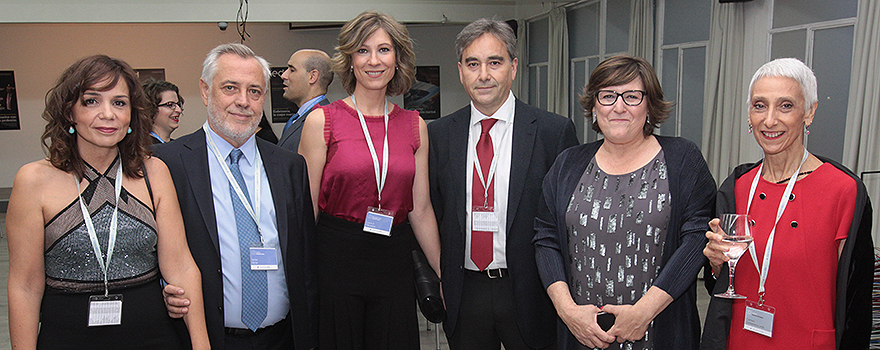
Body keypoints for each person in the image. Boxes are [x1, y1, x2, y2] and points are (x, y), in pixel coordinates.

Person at [6, 55, 209, 349]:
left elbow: (181, 267)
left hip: (152, 336)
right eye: (91, 101)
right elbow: (24, 287)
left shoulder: (153, 172)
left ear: (132, 114)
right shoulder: (34, 180)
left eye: (119, 102)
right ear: (70, 112)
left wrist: (201, 344)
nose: (107, 114)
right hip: (66, 336)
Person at [533, 55, 715, 350]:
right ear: (594, 106)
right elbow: (546, 239)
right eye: (607, 96)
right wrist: (567, 312)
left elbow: (696, 240)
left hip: (659, 332)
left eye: (631, 96)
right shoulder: (567, 164)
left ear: (649, 104)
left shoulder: (683, 159)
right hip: (583, 336)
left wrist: (644, 312)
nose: (619, 107)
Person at [700, 58, 873, 350]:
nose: (769, 120)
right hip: (740, 341)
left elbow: (857, 301)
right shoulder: (737, 187)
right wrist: (716, 265)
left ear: (809, 112)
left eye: (786, 106)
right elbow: (721, 285)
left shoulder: (843, 191)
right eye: (759, 105)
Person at [154, 43, 317, 350]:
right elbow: (150, 248)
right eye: (230, 88)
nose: (244, 101)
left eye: (254, 91)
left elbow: (305, 262)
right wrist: (164, 287)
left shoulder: (290, 166)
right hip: (207, 339)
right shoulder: (169, 163)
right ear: (205, 91)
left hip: (282, 338)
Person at [428, 18, 579, 350]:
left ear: (512, 68)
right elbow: (433, 212)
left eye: (494, 62)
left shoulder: (553, 132)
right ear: (460, 70)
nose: (483, 74)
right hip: (464, 290)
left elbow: (567, 219)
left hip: (531, 289)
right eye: (473, 64)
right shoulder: (438, 135)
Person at [297, 11, 441, 349]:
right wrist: (298, 279)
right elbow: (306, 211)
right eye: (363, 51)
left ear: (397, 59)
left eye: (383, 50)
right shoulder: (323, 121)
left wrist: (443, 274)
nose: (373, 61)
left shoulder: (414, 125)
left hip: (394, 259)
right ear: (349, 60)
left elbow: (420, 210)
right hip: (336, 258)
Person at [278, 49, 333, 151]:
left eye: (292, 70)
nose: (283, 75)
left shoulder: (322, 121)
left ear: (312, 77)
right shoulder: (299, 118)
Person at [142, 79, 184, 144]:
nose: (179, 110)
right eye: (170, 105)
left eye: (178, 104)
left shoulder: (177, 146)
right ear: (150, 109)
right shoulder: (142, 149)